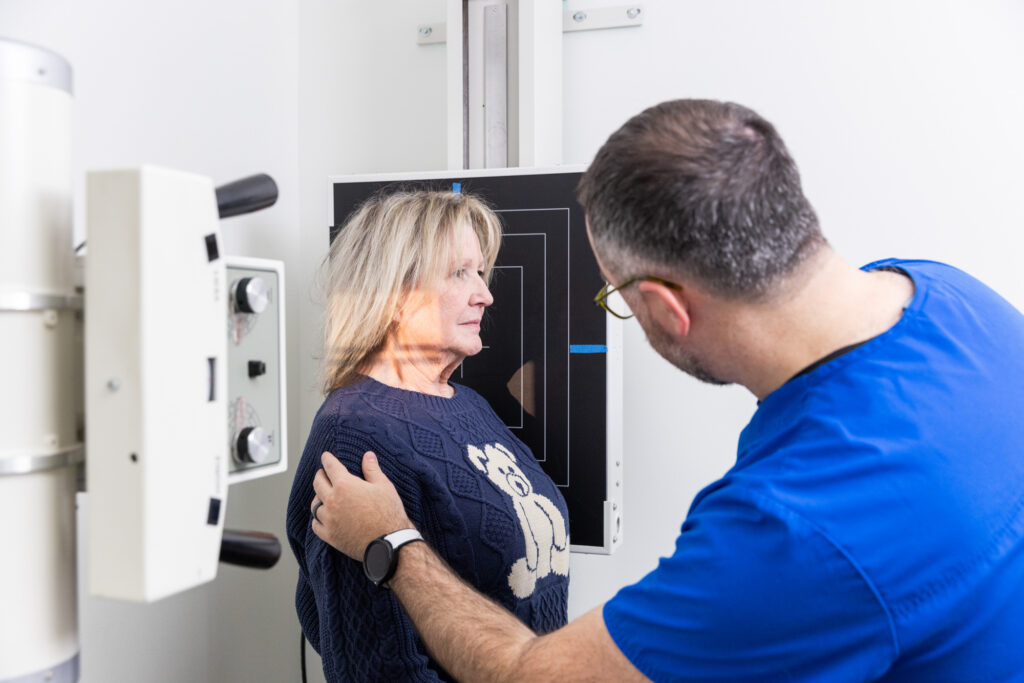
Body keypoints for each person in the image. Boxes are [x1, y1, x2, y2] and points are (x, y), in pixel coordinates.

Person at [307, 100, 1024, 681]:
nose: (486, 295)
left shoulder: (789, 528)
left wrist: (392, 544)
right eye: (460, 273)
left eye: (619, 297)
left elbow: (538, 675)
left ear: (667, 307)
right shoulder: (962, 302)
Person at [286, 190, 571, 682]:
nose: (484, 293)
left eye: (480, 272)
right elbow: (373, 669)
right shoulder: (354, 435)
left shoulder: (467, 404)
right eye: (460, 273)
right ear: (394, 295)